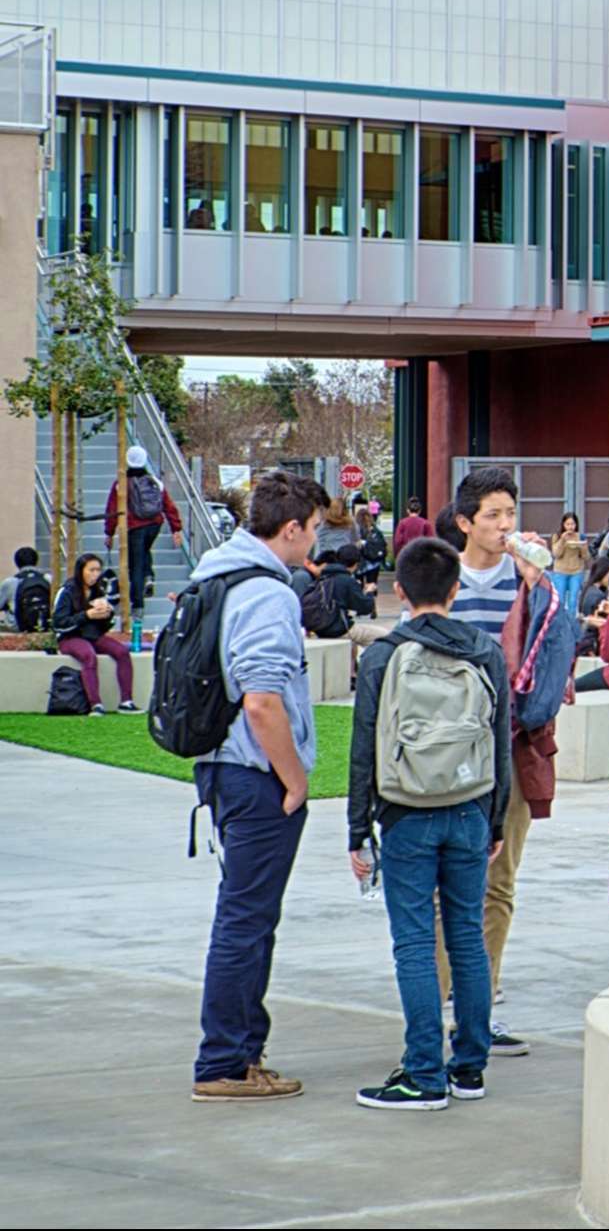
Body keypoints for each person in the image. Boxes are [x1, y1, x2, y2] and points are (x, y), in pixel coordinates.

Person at [346, 535, 513, 1110]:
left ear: (400, 591)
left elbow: (363, 747)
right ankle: (469, 1068)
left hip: (405, 813)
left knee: (415, 942)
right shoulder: (484, 653)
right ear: (455, 587)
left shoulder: (383, 655)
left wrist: (357, 830)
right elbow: (500, 743)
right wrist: (495, 820)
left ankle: (422, 1073)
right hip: (470, 806)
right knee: (466, 936)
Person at [191, 469, 331, 1102]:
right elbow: (262, 702)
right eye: (315, 529)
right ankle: (224, 1061)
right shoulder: (268, 593)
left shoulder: (214, 573)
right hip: (255, 775)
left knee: (245, 918)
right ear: (292, 527)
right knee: (246, 921)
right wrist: (295, 780)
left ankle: (240, 1054)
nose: (316, 543)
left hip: (223, 768)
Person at [430, 467, 574, 1050]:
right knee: (447, 883)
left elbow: (557, 654)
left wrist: (542, 585)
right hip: (448, 753)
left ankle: (479, 1007)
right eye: (492, 515)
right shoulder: (443, 580)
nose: (505, 526)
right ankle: (435, 1002)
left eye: (510, 514)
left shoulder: (528, 583)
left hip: (511, 747)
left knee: (499, 882)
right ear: (465, 522)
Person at [53, 552, 137, 712]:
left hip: (93, 635)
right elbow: (59, 623)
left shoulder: (98, 591)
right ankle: (95, 704)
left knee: (122, 652)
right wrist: (86, 615)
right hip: (70, 637)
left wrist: (107, 614)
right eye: (90, 570)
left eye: (97, 570)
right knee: (88, 656)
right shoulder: (67, 591)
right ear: (81, 571)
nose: (95, 574)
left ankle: (126, 701)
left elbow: (103, 626)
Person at [106, 444, 183, 605]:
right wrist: (176, 529)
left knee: (135, 563)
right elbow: (168, 505)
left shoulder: (121, 484)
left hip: (134, 526)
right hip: (154, 524)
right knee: (144, 550)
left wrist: (109, 533)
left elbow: (112, 509)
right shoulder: (154, 481)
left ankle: (137, 603)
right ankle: (149, 576)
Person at [551, 514, 591, 619]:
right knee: (561, 600)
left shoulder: (580, 536)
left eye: (572, 524)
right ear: (563, 525)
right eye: (567, 524)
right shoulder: (557, 536)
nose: (570, 527)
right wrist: (562, 540)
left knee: (573, 600)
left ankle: (571, 623)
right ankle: (560, 623)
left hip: (576, 571)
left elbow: (586, 557)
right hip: (560, 571)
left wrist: (583, 547)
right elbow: (556, 554)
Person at [10, 545, 51, 633]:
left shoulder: (11, 582)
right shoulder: (47, 579)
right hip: (46, 627)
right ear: (36, 561)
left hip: (18, 630)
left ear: (17, 563)